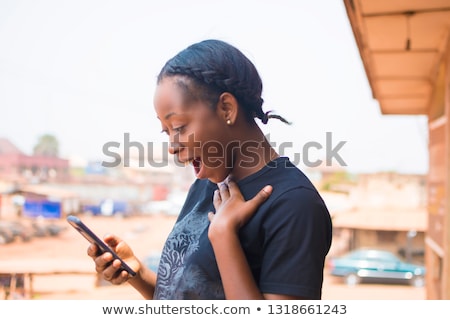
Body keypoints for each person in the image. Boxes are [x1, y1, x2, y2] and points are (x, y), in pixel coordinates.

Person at [88, 39, 333, 300]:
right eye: (166, 131)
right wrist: (138, 273)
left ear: (227, 109)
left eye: (179, 127)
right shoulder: (207, 184)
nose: (172, 147)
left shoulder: (294, 205)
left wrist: (224, 236)